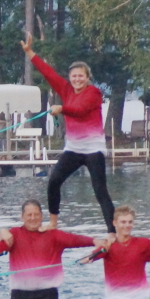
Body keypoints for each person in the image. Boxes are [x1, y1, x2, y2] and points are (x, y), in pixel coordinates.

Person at [21, 34, 115, 232]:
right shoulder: (65, 90)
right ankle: (53, 223)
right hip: (73, 149)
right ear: (70, 78)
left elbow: (80, 111)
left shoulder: (94, 93)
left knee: (100, 191)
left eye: (81, 76)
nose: (77, 79)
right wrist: (30, 52)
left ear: (87, 78)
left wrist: (62, 109)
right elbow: (49, 73)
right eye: (74, 76)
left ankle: (112, 232)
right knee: (54, 181)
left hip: (93, 150)